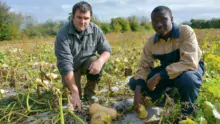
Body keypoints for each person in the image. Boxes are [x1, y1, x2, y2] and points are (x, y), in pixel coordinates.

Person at [128, 6, 204, 119]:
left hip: (188, 69)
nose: (159, 25)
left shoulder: (185, 31)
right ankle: (166, 97)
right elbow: (144, 66)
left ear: (171, 19)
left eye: (163, 19)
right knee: (135, 82)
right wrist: (138, 92)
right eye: (155, 21)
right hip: (167, 71)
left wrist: (158, 76)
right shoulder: (151, 42)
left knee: (188, 79)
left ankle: (187, 114)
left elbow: (189, 62)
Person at [55, 1, 111, 112]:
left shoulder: (95, 30)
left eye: (86, 18)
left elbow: (107, 50)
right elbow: (65, 63)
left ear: (90, 18)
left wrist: (100, 61)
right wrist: (74, 90)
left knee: (96, 60)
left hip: (86, 64)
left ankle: (89, 93)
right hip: (71, 68)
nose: (82, 22)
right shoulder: (63, 34)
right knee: (74, 97)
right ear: (72, 17)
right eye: (79, 17)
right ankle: (77, 92)